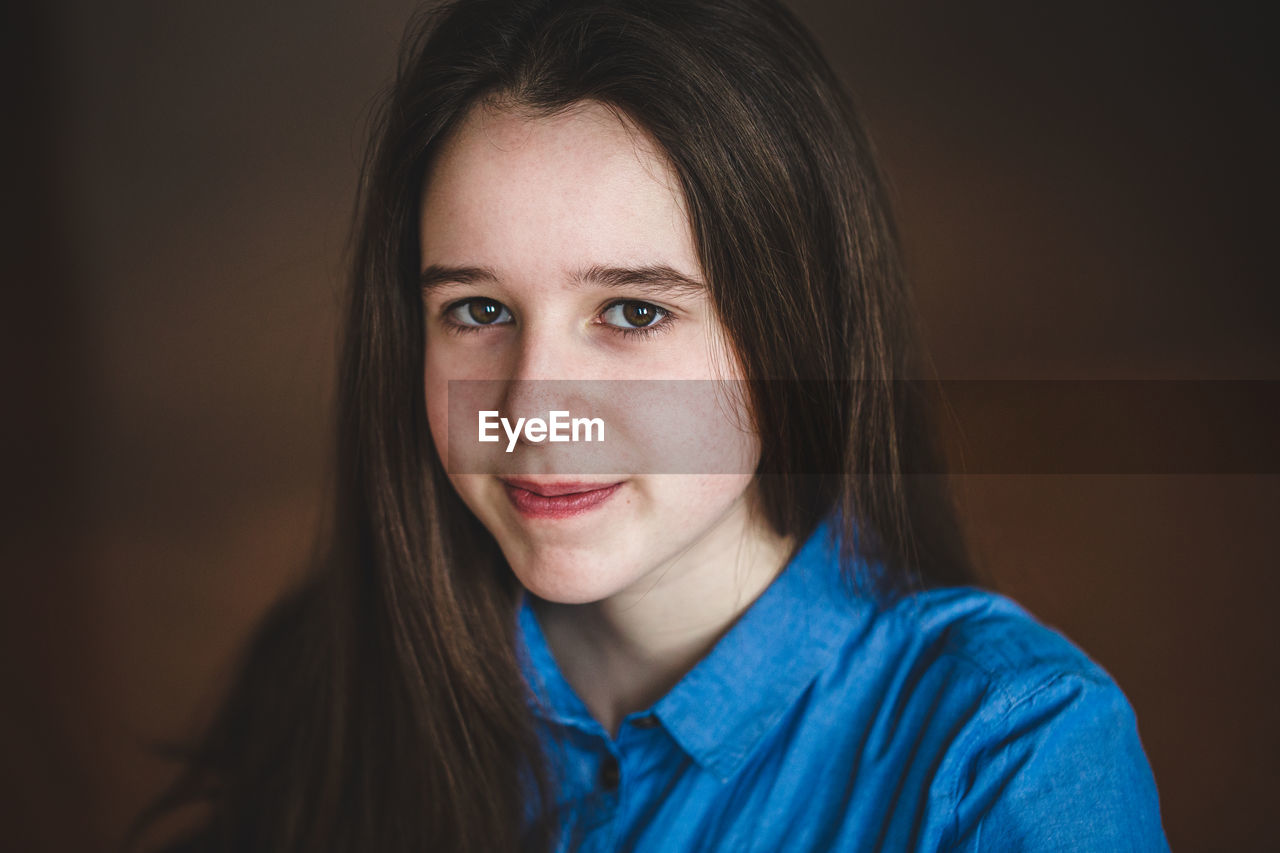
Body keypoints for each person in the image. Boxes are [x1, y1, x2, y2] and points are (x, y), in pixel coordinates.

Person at [128, 0, 1169, 850]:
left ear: (793, 327)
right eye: (477, 310)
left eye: (633, 311)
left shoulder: (1005, 750)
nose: (532, 409)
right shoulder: (327, 679)